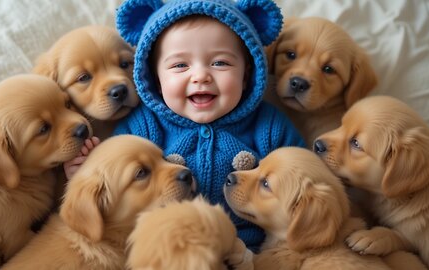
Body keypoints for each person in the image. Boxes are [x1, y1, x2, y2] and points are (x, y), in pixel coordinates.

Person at [66, 0, 305, 251]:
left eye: (220, 63)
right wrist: (80, 173)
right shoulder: (143, 125)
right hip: (166, 248)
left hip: (252, 250)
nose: (200, 75)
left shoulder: (268, 125)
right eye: (180, 65)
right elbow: (110, 180)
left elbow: (301, 176)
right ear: (156, 80)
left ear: (246, 76)